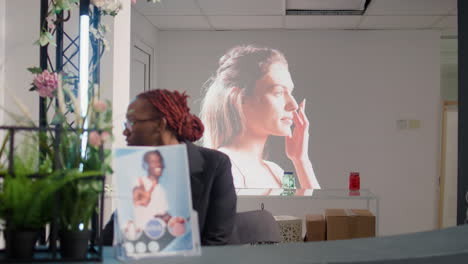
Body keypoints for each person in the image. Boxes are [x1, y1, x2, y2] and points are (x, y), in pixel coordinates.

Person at [103, 89, 237, 246]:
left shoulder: (215, 164)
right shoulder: (139, 169)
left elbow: (217, 241)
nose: (125, 131)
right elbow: (108, 239)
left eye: (131, 123)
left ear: (160, 124)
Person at [200, 44, 320, 189]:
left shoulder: (277, 172)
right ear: (240, 99)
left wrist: (301, 161)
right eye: (279, 92)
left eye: (290, 92)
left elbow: (310, 209)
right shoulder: (220, 168)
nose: (293, 105)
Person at [132, 150, 170, 230]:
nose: (158, 164)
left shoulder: (161, 189)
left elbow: (161, 214)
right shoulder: (139, 183)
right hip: (141, 233)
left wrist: (171, 219)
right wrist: (141, 200)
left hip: (156, 233)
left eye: (159, 161)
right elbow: (137, 201)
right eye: (153, 161)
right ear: (145, 166)